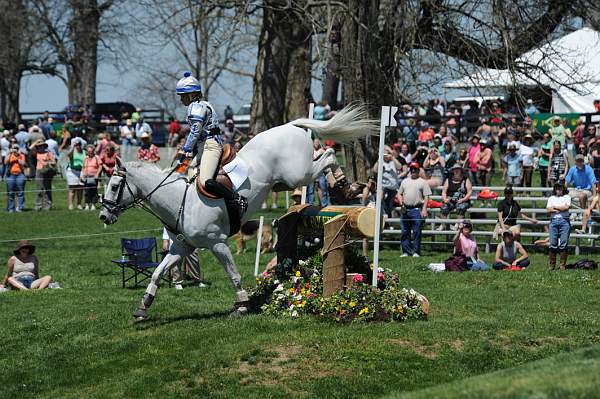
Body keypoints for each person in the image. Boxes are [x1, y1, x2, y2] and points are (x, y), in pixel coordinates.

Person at [176, 72, 247, 214]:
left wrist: (185, 149)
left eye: (183, 95)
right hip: (203, 146)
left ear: (192, 95)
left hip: (211, 146)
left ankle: (237, 199)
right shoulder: (200, 105)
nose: (181, 99)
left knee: (206, 181)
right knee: (183, 172)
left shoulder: (196, 107)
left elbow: (195, 131)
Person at [397, 162, 432, 257]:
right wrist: (401, 201)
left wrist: (424, 209)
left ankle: (416, 252)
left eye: (415, 169)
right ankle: (406, 251)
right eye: (411, 169)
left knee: (417, 232)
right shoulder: (404, 181)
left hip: (417, 209)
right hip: (405, 209)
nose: (413, 171)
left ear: (418, 170)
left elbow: (426, 196)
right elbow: (399, 193)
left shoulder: (423, 182)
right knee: (404, 231)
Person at [547, 182, 571, 270]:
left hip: (564, 221)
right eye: (556, 187)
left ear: (563, 188)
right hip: (553, 222)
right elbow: (548, 210)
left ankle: (562, 265)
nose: (558, 189)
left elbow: (566, 208)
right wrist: (560, 208)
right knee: (553, 243)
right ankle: (552, 265)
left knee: (563, 243)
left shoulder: (567, 197)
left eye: (560, 187)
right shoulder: (551, 198)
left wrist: (555, 207)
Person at [373, 146, 402, 218]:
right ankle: (383, 215)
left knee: (389, 203)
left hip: (393, 187)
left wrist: (392, 157)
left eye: (387, 154)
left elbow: (399, 167)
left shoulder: (393, 161)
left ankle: (387, 220)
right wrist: (380, 158)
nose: (386, 156)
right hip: (383, 186)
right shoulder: (380, 162)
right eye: (384, 154)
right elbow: (375, 170)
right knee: (380, 195)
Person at [32, 140, 56, 211]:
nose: (41, 147)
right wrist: (37, 141)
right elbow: (30, 149)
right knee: (39, 190)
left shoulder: (48, 153)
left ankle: (48, 205)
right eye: (39, 146)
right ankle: (38, 205)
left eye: (42, 146)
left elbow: (54, 162)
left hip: (47, 171)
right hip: (39, 171)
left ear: (44, 146)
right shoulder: (36, 153)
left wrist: (47, 162)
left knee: (47, 189)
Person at [5, 144, 26, 212]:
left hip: (20, 174)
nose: (15, 149)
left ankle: (20, 207)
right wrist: (10, 153)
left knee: (20, 192)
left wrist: (18, 156)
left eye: (16, 148)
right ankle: (11, 208)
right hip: (10, 175)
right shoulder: (9, 154)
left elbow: (22, 163)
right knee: (11, 192)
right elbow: (6, 162)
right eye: (14, 148)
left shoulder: (21, 155)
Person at [81, 145, 102, 210]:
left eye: (91, 151)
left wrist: (97, 174)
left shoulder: (96, 157)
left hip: (94, 177)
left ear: (93, 151)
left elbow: (100, 166)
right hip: (86, 177)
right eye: (89, 151)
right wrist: (82, 174)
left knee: (94, 191)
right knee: (87, 191)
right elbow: (83, 167)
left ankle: (93, 204)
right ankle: (87, 204)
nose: (90, 152)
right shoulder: (85, 158)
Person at [66, 141, 85, 210]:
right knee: (72, 188)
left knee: (80, 188)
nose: (78, 146)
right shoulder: (72, 152)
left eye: (79, 145)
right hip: (72, 171)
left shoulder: (84, 152)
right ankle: (71, 204)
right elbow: (68, 155)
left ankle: (79, 204)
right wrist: (72, 148)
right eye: (76, 145)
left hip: (81, 171)